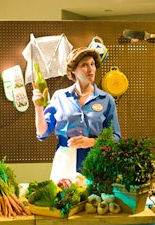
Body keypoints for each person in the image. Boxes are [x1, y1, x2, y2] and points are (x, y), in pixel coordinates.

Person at [32, 47, 121, 184]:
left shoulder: (106, 99)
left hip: (96, 160)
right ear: (73, 70)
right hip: (65, 160)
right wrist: (38, 108)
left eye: (92, 64)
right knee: (63, 201)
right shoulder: (60, 97)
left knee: (94, 202)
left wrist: (91, 142)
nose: (91, 69)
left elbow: (115, 138)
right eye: (84, 65)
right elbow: (42, 133)